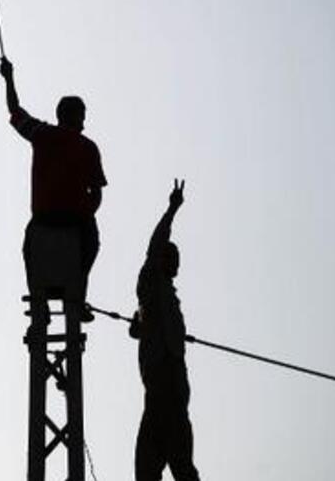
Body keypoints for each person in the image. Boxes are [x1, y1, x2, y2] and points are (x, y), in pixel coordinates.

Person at [0, 57, 106, 309]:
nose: (84, 120)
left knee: (28, 249)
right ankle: (78, 296)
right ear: (75, 116)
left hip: (44, 216)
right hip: (75, 220)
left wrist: (8, 78)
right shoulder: (88, 147)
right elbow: (97, 192)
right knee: (92, 243)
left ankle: (39, 301)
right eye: (82, 114)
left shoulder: (42, 134)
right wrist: (86, 212)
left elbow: (15, 109)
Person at [133, 179, 200, 481]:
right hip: (161, 384)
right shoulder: (152, 281)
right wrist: (172, 209)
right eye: (172, 258)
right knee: (153, 467)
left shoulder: (167, 299)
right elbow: (156, 244)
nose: (177, 264)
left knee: (175, 465)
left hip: (171, 385)